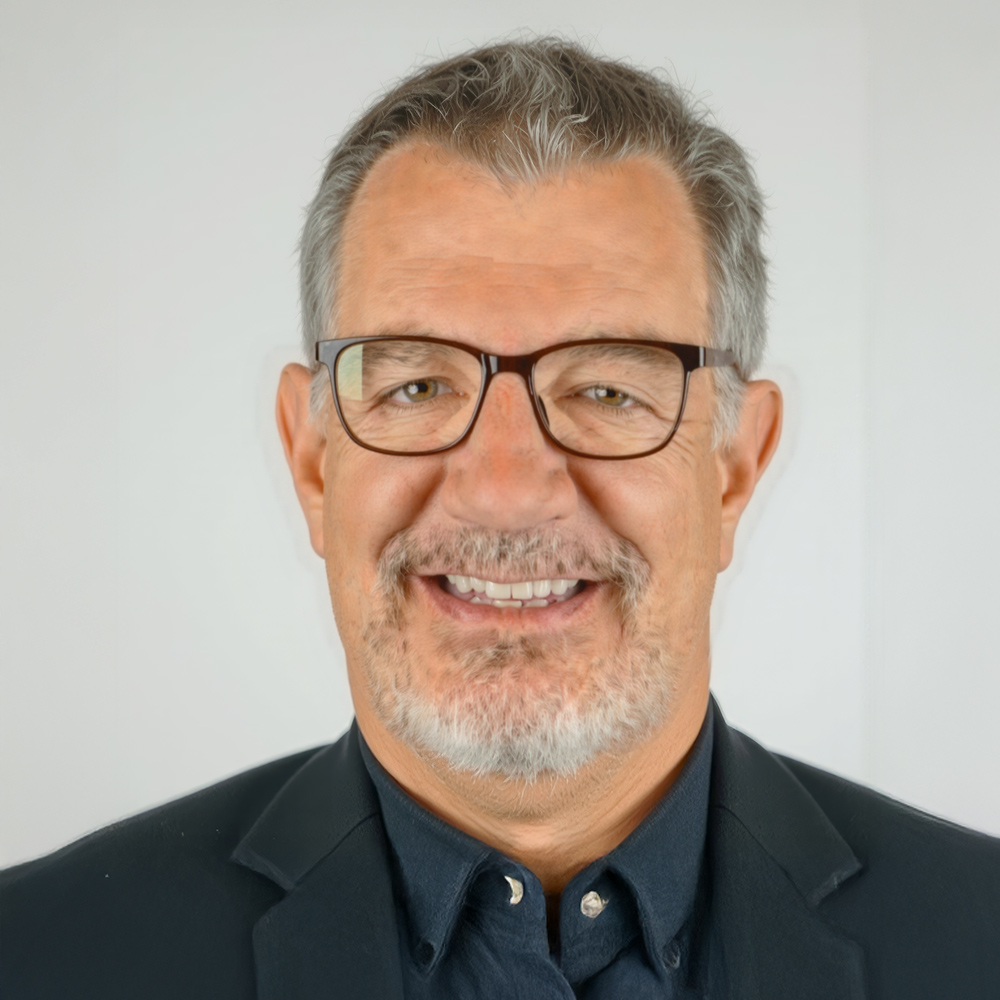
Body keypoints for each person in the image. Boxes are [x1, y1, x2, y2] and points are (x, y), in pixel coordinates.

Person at [2, 37, 998, 1000]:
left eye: (607, 390)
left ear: (734, 467)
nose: (506, 488)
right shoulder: (41, 958)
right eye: (419, 383)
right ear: (312, 462)